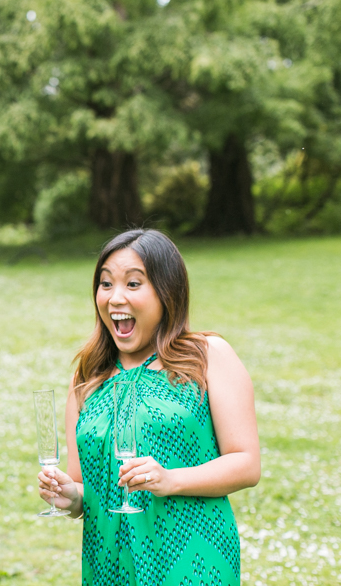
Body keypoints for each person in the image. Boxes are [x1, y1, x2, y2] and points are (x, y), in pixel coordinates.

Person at [38, 229, 260, 586]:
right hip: (107, 563)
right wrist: (70, 497)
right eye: (106, 284)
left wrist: (171, 479)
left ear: (166, 292)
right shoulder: (88, 375)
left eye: (134, 284)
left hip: (193, 561)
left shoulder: (207, 356)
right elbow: (83, 488)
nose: (115, 298)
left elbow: (246, 464)